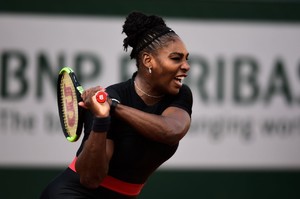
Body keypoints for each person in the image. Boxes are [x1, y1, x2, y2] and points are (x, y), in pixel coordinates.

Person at [40, 11, 193, 199]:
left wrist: (113, 108)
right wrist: (102, 118)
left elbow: (171, 131)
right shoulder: (112, 96)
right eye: (176, 58)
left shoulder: (180, 95)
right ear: (148, 60)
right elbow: (90, 179)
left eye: (186, 58)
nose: (186, 66)